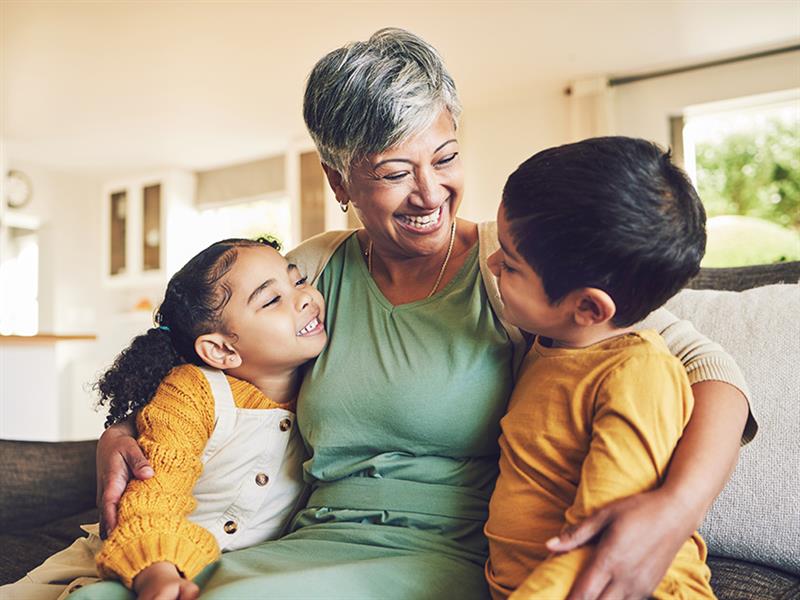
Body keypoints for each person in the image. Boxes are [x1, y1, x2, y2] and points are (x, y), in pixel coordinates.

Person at [78, 28, 754, 600]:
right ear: (340, 182)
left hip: (434, 561)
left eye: (446, 156)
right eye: (394, 172)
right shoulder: (311, 272)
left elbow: (708, 369)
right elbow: (203, 352)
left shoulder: (518, 270)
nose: (430, 192)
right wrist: (124, 430)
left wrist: (673, 512)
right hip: (305, 541)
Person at [1, 238, 326, 600]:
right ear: (221, 349)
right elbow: (153, 497)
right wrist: (156, 573)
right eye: (272, 300)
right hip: (131, 564)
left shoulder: (324, 386)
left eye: (298, 281)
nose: (305, 298)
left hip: (232, 576)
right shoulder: (192, 392)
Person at [485, 137, 716, 599]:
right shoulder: (551, 346)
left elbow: (595, 544)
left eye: (510, 266)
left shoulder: (638, 375)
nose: (490, 263)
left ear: (588, 308)